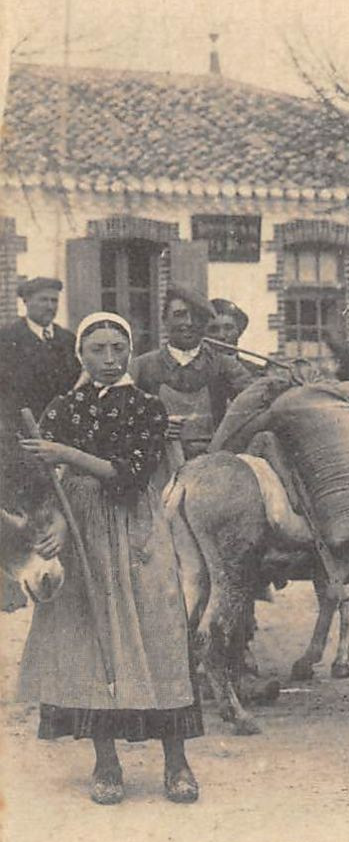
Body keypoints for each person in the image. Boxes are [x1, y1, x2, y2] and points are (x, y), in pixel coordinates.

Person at [17, 312, 203, 805]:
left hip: (135, 532)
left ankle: (177, 763)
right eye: (96, 349)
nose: (108, 359)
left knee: (155, 637)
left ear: (129, 350)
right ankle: (106, 762)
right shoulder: (63, 407)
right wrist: (55, 523)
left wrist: (64, 452)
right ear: (80, 354)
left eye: (117, 349)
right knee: (91, 643)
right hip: (79, 541)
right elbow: (49, 481)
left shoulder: (147, 407)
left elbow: (128, 476)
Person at [129, 288, 254, 459]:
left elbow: (254, 403)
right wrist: (154, 426)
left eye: (197, 316)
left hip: (212, 462)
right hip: (156, 462)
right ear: (165, 320)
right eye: (180, 314)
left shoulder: (224, 365)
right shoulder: (142, 366)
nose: (188, 322)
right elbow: (118, 415)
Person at [0, 277, 81, 422]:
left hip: (63, 424)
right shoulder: (7, 338)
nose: (50, 307)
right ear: (26, 301)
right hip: (21, 426)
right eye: (43, 300)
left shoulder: (68, 339)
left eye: (54, 301)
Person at [205, 299, 264, 378]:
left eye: (228, 328)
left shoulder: (255, 372)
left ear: (239, 331)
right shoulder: (192, 374)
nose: (221, 336)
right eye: (213, 330)